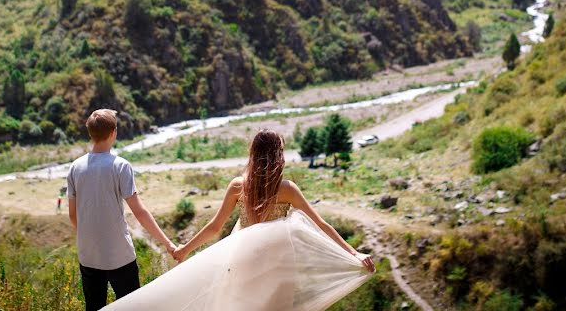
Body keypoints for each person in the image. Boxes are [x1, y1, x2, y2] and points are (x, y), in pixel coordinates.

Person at [173, 129, 375, 273]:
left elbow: (214, 228)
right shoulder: (287, 189)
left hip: (245, 263)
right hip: (280, 265)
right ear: (277, 156)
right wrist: (353, 252)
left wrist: (184, 250)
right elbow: (320, 225)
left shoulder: (238, 186)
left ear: (253, 154)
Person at [67, 109, 177, 310]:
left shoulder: (75, 167)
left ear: (90, 133)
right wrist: (168, 244)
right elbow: (140, 212)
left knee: (94, 306)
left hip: (88, 255)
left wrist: (92, 238)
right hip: (119, 255)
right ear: (113, 133)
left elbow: (73, 215)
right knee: (132, 306)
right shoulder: (120, 166)